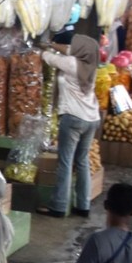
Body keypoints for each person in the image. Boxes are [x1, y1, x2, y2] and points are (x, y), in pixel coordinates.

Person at [36, 35, 101, 218]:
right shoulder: (90, 63)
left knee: (65, 162)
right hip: (91, 118)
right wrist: (51, 43)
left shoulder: (72, 64)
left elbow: (48, 57)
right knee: (82, 161)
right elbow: (68, 51)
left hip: (73, 118)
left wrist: (40, 48)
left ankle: (58, 206)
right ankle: (83, 205)